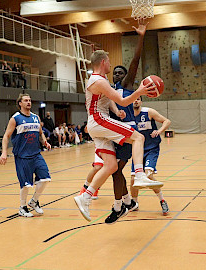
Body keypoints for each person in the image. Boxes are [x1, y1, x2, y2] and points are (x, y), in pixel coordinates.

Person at [73, 48, 162, 222]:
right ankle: (139, 174)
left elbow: (110, 101)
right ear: (103, 62)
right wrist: (140, 92)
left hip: (98, 123)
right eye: (109, 61)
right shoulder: (97, 80)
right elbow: (122, 100)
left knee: (111, 166)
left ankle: (85, 196)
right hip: (99, 120)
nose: (111, 64)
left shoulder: (102, 80)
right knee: (139, 137)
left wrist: (117, 111)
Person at [79, 20, 150, 223]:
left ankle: (116, 203)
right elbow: (109, 99)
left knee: (114, 168)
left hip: (118, 130)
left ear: (126, 75)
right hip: (107, 129)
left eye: (120, 71)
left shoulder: (125, 84)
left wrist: (141, 37)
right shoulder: (104, 84)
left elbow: (135, 60)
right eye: (113, 69)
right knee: (113, 169)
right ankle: (125, 201)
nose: (116, 73)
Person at [0, 93, 52, 217]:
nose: (29, 102)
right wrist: (4, 152)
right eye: (26, 100)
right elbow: (6, 136)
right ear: (20, 103)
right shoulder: (15, 118)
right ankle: (22, 207)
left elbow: (40, 133)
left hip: (36, 154)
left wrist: (45, 141)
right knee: (26, 185)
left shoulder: (35, 117)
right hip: (22, 156)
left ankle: (34, 201)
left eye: (30, 100)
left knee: (45, 178)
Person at [130, 96, 171, 215]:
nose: (136, 101)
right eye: (134, 99)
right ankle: (134, 203)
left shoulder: (148, 112)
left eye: (138, 99)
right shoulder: (129, 116)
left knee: (148, 174)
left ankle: (162, 200)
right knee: (133, 179)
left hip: (151, 148)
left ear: (141, 101)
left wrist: (159, 131)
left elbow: (167, 121)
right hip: (137, 150)